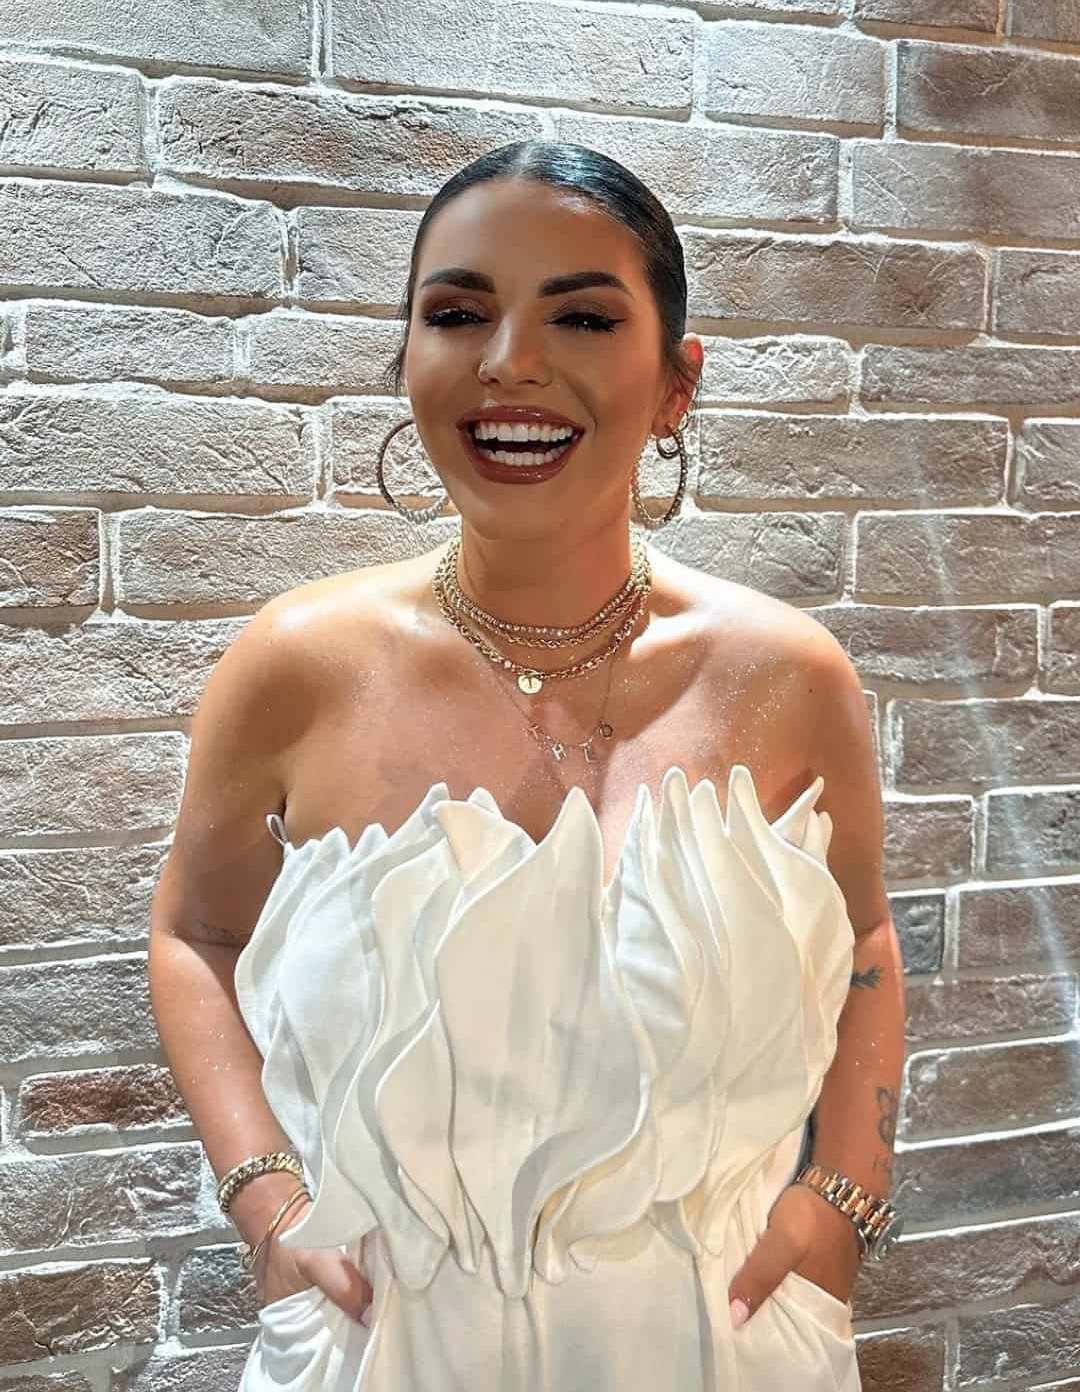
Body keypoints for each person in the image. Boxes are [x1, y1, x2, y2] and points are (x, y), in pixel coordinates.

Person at [148, 141, 906, 1392]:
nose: (509, 361)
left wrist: (841, 1199)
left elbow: (864, 934)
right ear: (407, 357)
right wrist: (265, 1196)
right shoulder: (295, 665)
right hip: (382, 1340)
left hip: (722, 1340)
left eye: (583, 316)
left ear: (676, 384)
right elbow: (195, 932)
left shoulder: (788, 676)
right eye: (457, 313)